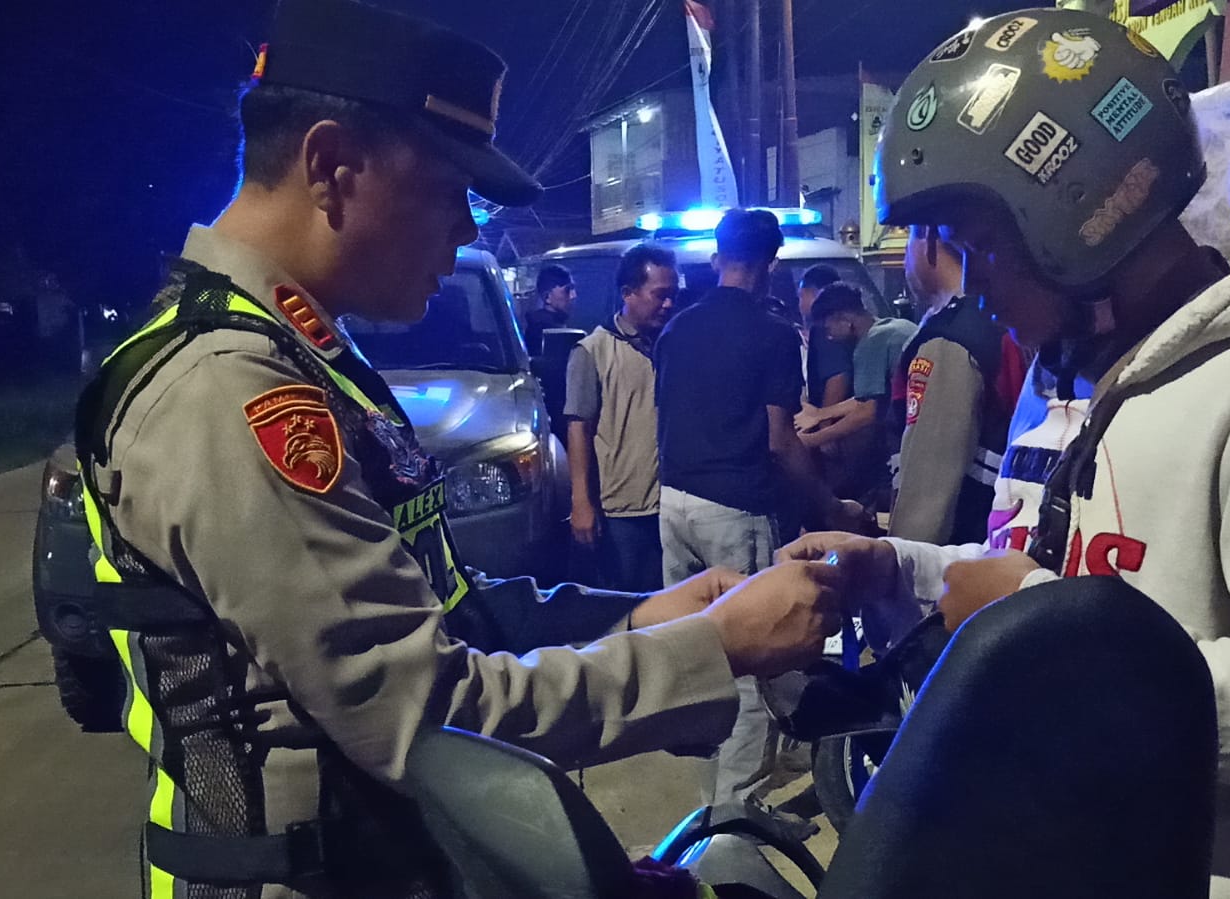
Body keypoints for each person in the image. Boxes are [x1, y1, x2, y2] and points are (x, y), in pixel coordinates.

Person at [73, 4, 848, 897]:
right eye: (451, 192)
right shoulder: (230, 387)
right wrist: (712, 648)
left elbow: (442, 605)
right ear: (331, 167)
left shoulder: (301, 350)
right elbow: (421, 710)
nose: (468, 231)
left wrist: (646, 616)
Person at [783, 9, 1230, 899]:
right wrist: (898, 570)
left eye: (981, 246)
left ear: (1080, 219)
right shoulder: (1065, 381)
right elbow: (1036, 572)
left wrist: (1041, 629)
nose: (972, 283)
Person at [654, 207, 869, 829]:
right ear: (771, 264)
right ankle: (735, 820)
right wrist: (829, 507)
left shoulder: (677, 328)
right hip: (734, 506)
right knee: (747, 660)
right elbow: (780, 441)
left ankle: (711, 803)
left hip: (675, 504)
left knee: (694, 654)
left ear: (719, 256)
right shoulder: (772, 333)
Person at [886, 225, 1027, 545]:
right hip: (998, 541)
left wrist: (900, 564)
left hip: (958, 552)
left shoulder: (949, 340)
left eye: (908, 242)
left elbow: (926, 502)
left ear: (928, 238)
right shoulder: (996, 319)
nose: (906, 259)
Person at [563, 243, 677, 592]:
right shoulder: (593, 351)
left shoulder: (674, 344)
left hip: (673, 505)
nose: (668, 304)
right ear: (628, 293)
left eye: (673, 295)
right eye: (660, 295)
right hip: (622, 513)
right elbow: (578, 429)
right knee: (627, 605)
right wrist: (581, 502)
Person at [797, 283, 917, 462]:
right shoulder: (897, 327)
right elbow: (870, 397)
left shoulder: (872, 342)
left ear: (844, 319)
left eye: (828, 329)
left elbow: (867, 411)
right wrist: (821, 414)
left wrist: (810, 440)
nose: (829, 337)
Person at [796, 263, 852, 408]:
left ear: (816, 294)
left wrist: (823, 417)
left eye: (801, 296)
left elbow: (837, 376)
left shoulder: (825, 327)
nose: (799, 304)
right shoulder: (845, 323)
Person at [523, 263, 575, 355]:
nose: (573, 296)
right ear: (547, 297)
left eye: (573, 289)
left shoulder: (556, 325)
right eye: (567, 290)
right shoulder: (542, 332)